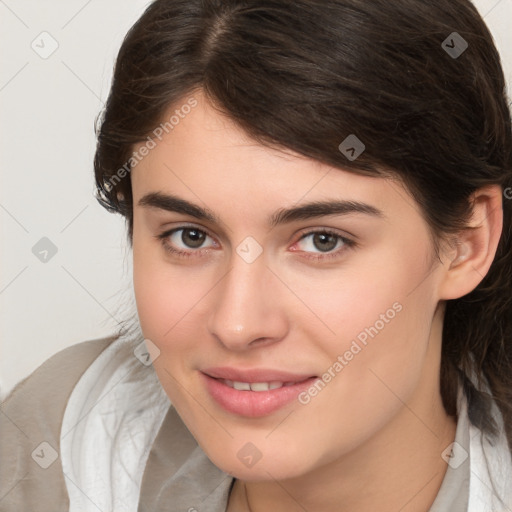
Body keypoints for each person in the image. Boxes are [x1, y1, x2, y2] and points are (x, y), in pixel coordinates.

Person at [1, 0, 512, 511]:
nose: (238, 325)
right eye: (191, 236)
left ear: (467, 243)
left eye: (321, 241)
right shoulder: (63, 441)